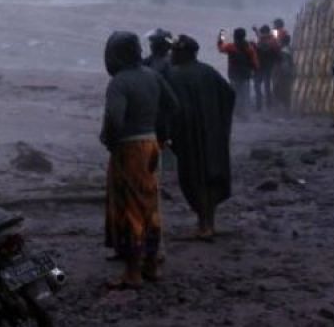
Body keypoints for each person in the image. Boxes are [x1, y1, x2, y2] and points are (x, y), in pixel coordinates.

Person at [101, 31, 178, 289]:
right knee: (149, 205)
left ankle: (132, 273)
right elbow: (173, 104)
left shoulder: (119, 83)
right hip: (151, 143)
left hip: (129, 148)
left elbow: (114, 118)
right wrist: (157, 129)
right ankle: (151, 265)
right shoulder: (152, 76)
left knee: (130, 207)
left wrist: (109, 140)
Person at [166, 35, 236, 239]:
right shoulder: (209, 72)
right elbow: (229, 95)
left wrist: (171, 132)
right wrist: (220, 122)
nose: (172, 55)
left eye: (175, 52)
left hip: (187, 138)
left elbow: (170, 107)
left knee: (193, 178)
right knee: (211, 176)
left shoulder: (173, 75)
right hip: (213, 135)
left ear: (183, 53)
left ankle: (204, 225)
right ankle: (208, 223)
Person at [217, 28, 258, 119]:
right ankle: (244, 114)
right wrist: (254, 72)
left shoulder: (231, 47)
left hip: (233, 75)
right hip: (246, 75)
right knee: (244, 95)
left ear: (235, 36)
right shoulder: (249, 48)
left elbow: (220, 48)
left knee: (234, 94)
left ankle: (235, 113)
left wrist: (221, 37)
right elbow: (255, 63)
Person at [253, 24, 281, 111]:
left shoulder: (262, 42)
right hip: (267, 67)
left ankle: (259, 105)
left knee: (258, 86)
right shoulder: (272, 42)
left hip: (260, 67)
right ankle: (267, 105)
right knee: (266, 86)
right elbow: (277, 55)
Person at [274, 32, 295, 113]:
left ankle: (284, 109)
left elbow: (284, 64)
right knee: (286, 91)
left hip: (284, 74)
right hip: (288, 73)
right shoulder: (289, 49)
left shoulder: (284, 51)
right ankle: (286, 108)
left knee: (282, 91)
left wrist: (281, 74)